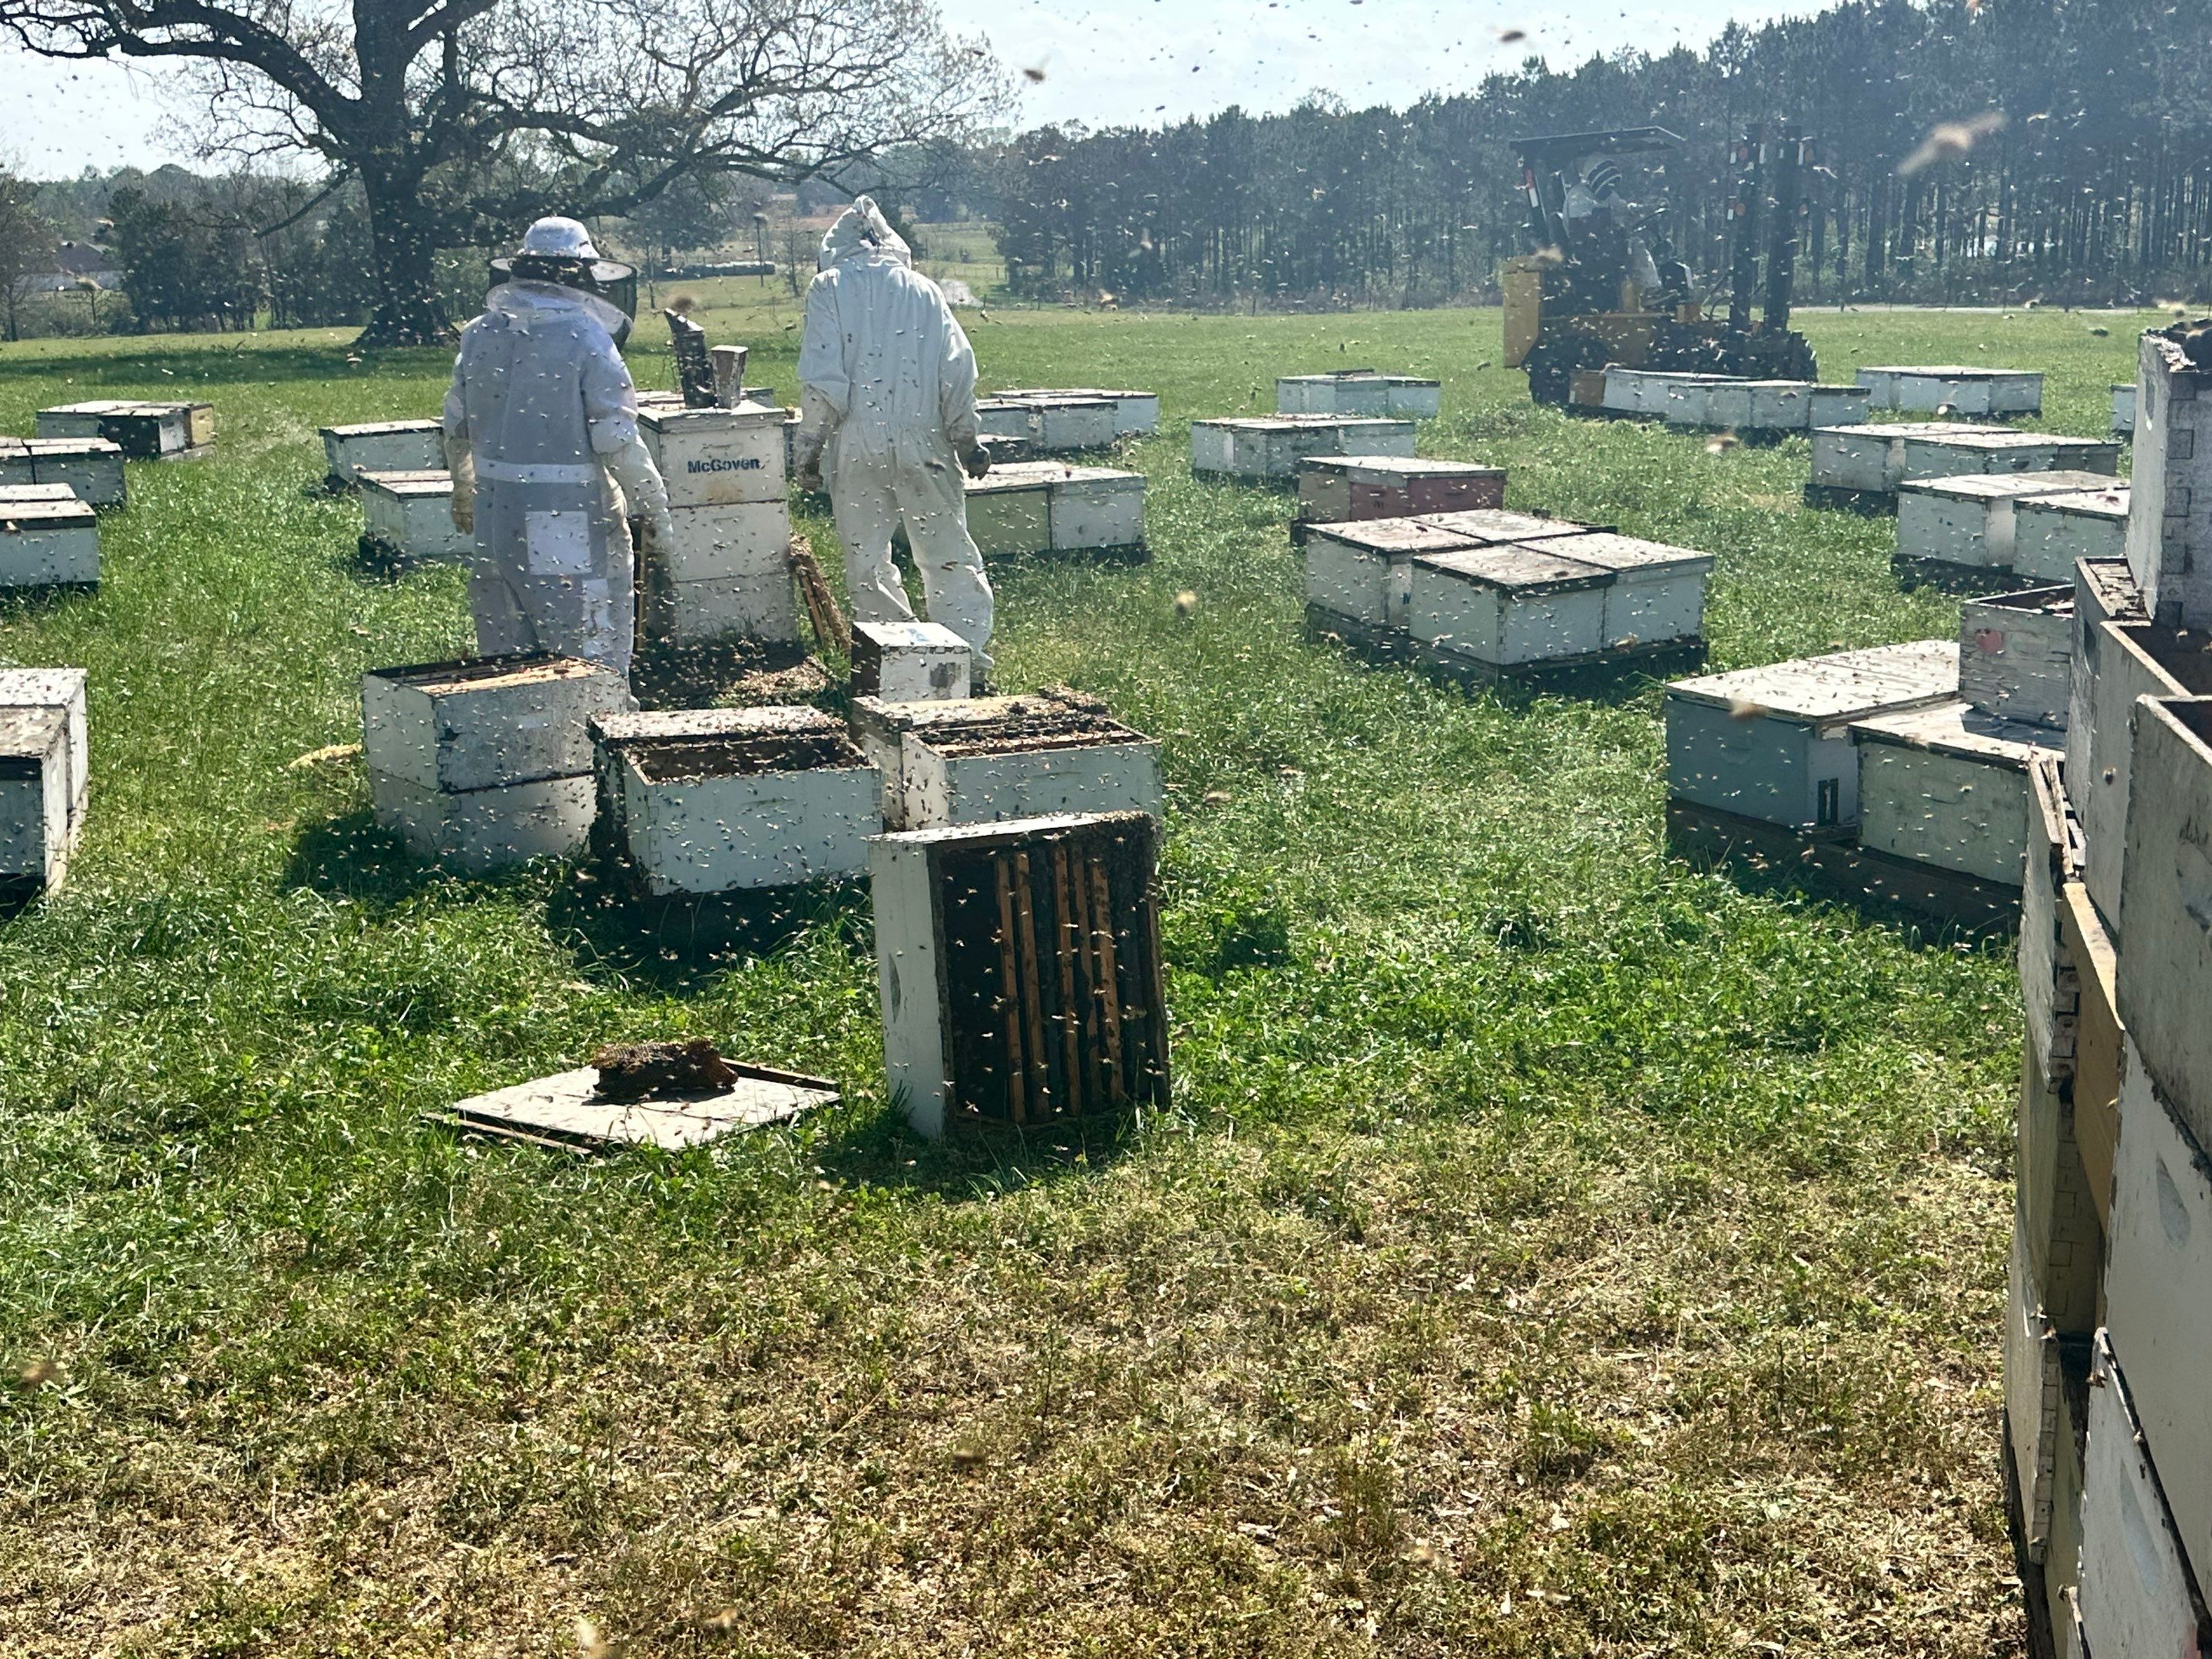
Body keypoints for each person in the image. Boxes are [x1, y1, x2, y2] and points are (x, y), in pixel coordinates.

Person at [443, 217, 673, 680]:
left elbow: (456, 426)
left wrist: (464, 489)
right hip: (569, 518)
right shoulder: (585, 336)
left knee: (509, 659)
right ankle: (593, 748)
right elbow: (615, 437)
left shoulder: (479, 333)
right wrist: (655, 510)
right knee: (588, 656)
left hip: (495, 515)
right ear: (581, 273)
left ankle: (522, 747)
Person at [792, 196, 995, 687]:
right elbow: (957, 369)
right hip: (926, 443)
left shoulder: (829, 287)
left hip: (855, 442)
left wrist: (807, 452)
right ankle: (967, 665)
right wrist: (966, 439)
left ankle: (895, 665)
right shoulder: (925, 291)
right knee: (948, 554)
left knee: (868, 562)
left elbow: (823, 381)